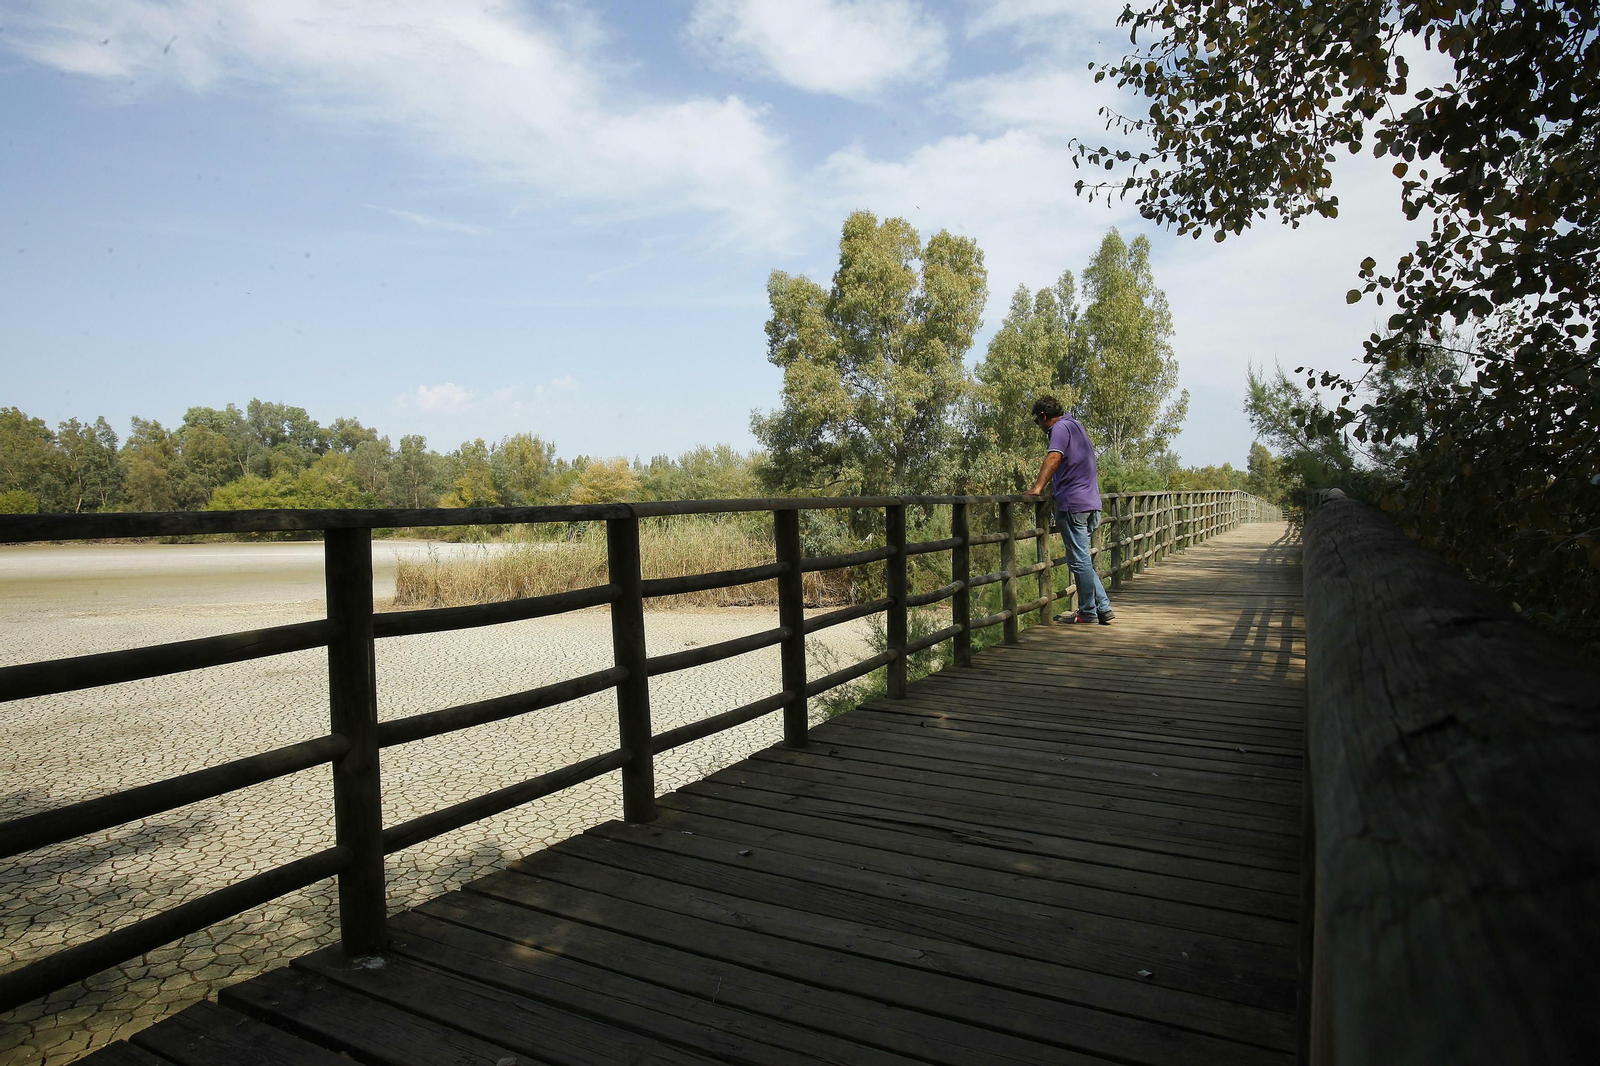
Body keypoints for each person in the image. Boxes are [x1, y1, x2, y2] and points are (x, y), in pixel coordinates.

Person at [1027, 395, 1113, 625]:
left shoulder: (1059, 428)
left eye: (1037, 421)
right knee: (1081, 558)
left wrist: (1037, 488)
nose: (1039, 426)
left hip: (1074, 504)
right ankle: (1103, 607)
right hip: (1091, 502)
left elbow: (1054, 457)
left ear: (1043, 416)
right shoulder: (1076, 425)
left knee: (1079, 560)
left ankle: (1088, 612)